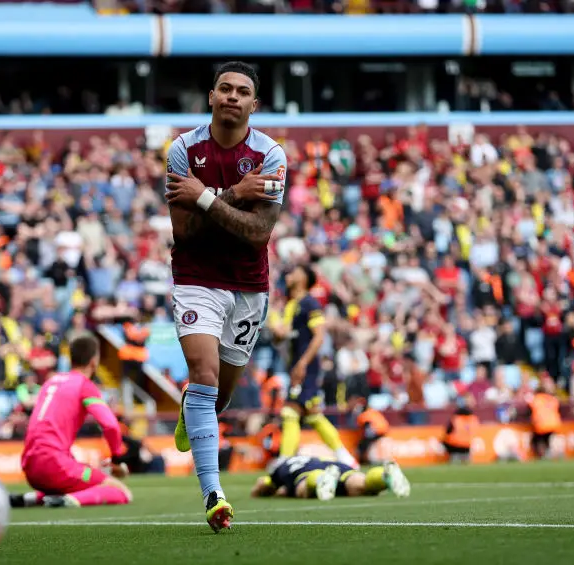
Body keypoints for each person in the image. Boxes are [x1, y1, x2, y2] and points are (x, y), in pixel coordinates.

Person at [164, 60, 288, 532]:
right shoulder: (182, 150)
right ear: (211, 97)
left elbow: (258, 235)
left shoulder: (272, 156)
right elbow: (186, 234)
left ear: (254, 105)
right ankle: (214, 495)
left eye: (242, 92)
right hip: (196, 275)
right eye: (225, 89)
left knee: (219, 396)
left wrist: (209, 196)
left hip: (248, 285)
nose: (233, 97)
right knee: (204, 373)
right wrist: (235, 193)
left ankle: (191, 407)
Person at [10, 333, 133, 509]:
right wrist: (117, 458)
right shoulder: (84, 385)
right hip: (55, 466)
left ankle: (31, 498)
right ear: (94, 361)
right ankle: (70, 501)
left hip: (30, 466)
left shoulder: (50, 382)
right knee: (121, 492)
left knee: (76, 472)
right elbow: (110, 425)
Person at [272, 265, 357, 466]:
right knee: (311, 414)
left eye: (294, 272)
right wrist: (274, 324)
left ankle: (285, 459)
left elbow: (319, 337)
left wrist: (302, 363)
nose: (289, 274)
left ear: (304, 279)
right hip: (295, 365)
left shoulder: (310, 303)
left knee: (291, 411)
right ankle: (344, 456)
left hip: (306, 366)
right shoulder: (291, 305)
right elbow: (281, 337)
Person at [250, 455, 410, 501]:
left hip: (307, 473)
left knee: (302, 490)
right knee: (361, 486)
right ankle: (384, 476)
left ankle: (320, 480)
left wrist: (260, 492)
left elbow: (262, 485)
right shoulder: (310, 457)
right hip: (335, 465)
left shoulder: (280, 468)